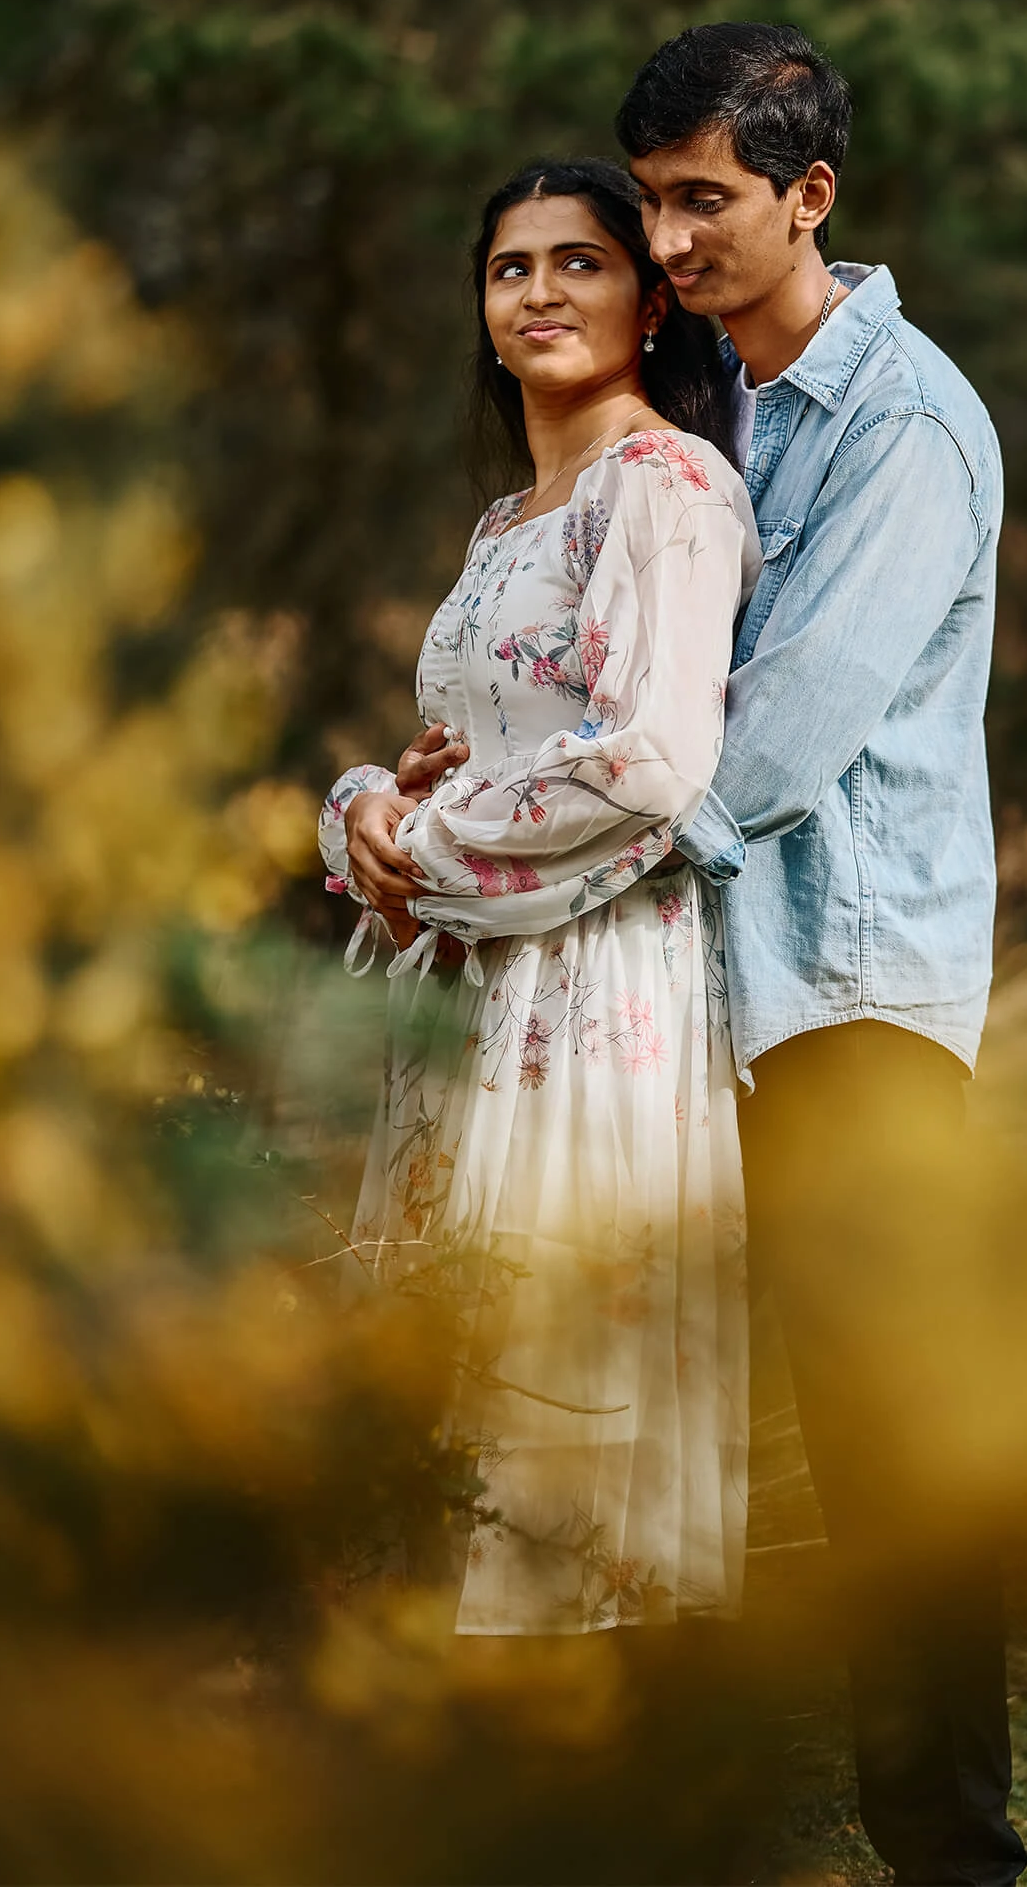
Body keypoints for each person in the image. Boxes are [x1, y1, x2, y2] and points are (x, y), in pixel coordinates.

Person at [399, 26, 1024, 1885]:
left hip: (846, 1001)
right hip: (673, 994)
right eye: (647, 200)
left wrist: (484, 823)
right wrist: (512, 761)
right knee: (630, 1425)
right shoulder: (712, 402)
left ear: (803, 197)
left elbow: (759, 740)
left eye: (701, 202)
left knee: (898, 1446)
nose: (662, 242)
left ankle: (951, 1861)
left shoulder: (903, 423)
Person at [320, 156, 759, 1639]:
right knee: (446, 1347)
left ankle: (581, 1754)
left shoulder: (667, 486)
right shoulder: (510, 518)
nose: (540, 292)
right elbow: (473, 746)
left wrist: (426, 848)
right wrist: (371, 807)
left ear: (647, 303)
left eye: (580, 261)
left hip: (589, 985)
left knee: (551, 1360)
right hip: (467, 980)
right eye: (511, 268)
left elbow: (646, 760)